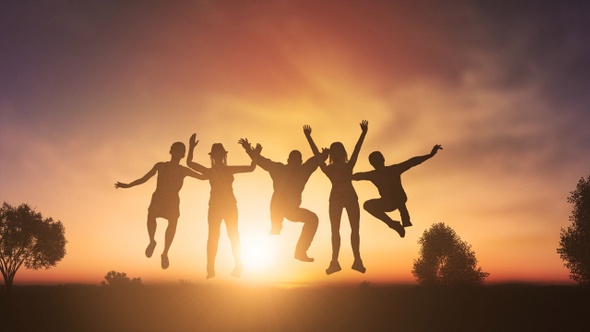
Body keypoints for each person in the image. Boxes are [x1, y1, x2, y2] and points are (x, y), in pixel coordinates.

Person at [115, 141, 207, 269]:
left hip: (172, 202)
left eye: (181, 150)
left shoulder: (183, 170)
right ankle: (152, 241)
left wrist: (192, 149)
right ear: (171, 151)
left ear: (183, 154)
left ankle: (165, 253)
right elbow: (144, 179)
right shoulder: (160, 166)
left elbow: (203, 177)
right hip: (158, 199)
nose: (178, 152)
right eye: (175, 149)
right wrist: (128, 185)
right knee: (151, 216)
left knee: (173, 222)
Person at [239, 137, 327, 262]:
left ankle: (300, 251)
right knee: (278, 204)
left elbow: (314, 162)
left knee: (313, 218)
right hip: (278, 207)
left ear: (300, 162)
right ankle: (276, 225)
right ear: (288, 161)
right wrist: (248, 149)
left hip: (292, 210)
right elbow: (262, 161)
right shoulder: (279, 169)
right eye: (293, 161)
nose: (295, 164)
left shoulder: (303, 171)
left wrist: (323, 155)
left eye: (297, 161)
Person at [187, 134, 257, 279]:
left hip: (228, 206)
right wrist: (191, 147)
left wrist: (251, 151)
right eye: (216, 154)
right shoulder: (212, 171)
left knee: (231, 235)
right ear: (214, 156)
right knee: (216, 236)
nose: (218, 157)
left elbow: (251, 168)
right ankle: (211, 268)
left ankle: (237, 265)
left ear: (221, 156)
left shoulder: (220, 170)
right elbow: (190, 163)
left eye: (219, 154)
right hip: (217, 207)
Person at [304, 121, 368, 275]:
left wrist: (363, 133)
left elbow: (357, 150)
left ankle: (355, 260)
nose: (338, 152)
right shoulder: (333, 168)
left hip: (347, 199)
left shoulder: (342, 167)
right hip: (339, 200)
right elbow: (318, 156)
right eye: (336, 150)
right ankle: (336, 261)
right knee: (337, 230)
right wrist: (308, 137)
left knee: (352, 230)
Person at [352, 145, 443, 238]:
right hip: (387, 203)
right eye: (375, 162)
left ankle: (404, 216)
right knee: (367, 205)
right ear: (373, 164)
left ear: (382, 160)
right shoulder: (373, 175)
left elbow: (412, 162)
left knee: (396, 191)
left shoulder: (393, 169)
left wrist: (430, 155)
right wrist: (345, 176)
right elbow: (358, 176)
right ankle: (393, 224)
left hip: (399, 199)